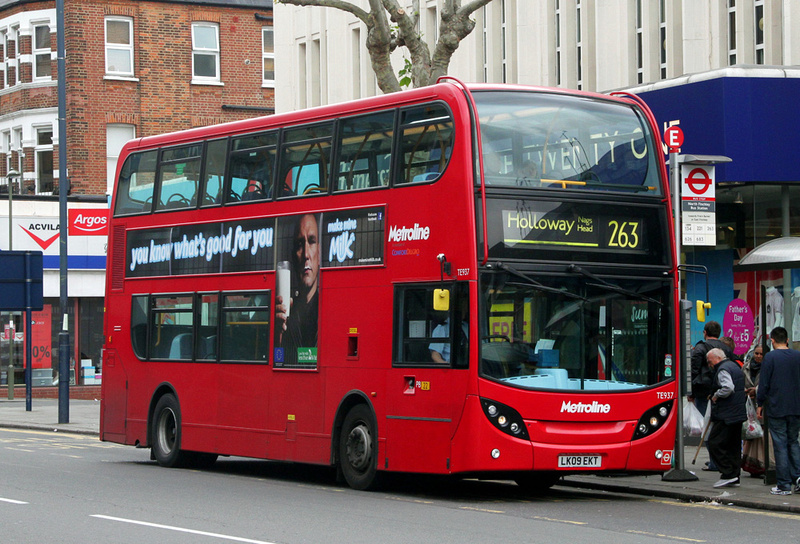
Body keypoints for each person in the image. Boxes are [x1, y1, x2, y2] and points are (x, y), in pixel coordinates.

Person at [756, 326, 800, 495]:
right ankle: (798, 477)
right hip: (795, 406)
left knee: (780, 445)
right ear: (787, 340)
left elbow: (764, 383)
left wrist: (760, 403)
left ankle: (783, 484)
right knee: (793, 442)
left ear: (772, 340)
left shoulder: (770, 357)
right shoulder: (797, 356)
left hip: (776, 407)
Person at [275, 213, 320, 366]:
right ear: (293, 257)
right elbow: (278, 363)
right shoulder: (283, 312)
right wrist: (278, 337)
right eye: (300, 244)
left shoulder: (329, 311)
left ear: (319, 253)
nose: (306, 254)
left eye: (312, 242)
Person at [689, 321, 734, 471]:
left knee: (707, 427)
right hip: (722, 392)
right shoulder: (726, 348)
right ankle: (718, 459)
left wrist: (691, 392)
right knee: (718, 427)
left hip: (704, 392)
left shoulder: (700, 348)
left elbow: (693, 371)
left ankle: (714, 461)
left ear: (705, 332)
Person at [706, 347, 747, 488]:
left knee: (714, 442)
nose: (709, 364)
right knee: (733, 445)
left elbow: (728, 387)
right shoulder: (734, 366)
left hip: (726, 413)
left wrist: (716, 395)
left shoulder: (722, 369)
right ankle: (734, 476)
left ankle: (728, 473)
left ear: (717, 358)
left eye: (709, 361)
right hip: (737, 412)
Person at [741, 343, 775, 476]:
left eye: (761, 354)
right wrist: (746, 392)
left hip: (765, 406)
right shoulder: (746, 367)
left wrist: (756, 390)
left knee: (764, 436)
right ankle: (753, 465)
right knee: (752, 435)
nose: (758, 356)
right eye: (756, 353)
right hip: (750, 406)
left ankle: (766, 464)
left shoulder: (770, 367)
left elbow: (771, 385)